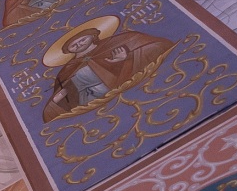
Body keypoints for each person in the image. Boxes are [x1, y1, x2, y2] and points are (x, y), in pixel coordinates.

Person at [42, 17, 175, 123]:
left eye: (82, 39)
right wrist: (57, 100)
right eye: (73, 46)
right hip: (91, 99)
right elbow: (63, 92)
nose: (79, 44)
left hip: (125, 87)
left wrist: (126, 58)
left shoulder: (117, 42)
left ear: (93, 36)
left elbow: (158, 46)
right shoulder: (68, 69)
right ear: (68, 51)